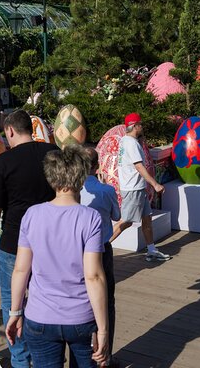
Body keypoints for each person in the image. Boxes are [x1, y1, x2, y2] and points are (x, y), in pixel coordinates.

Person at [6, 145, 109, 368]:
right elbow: (93, 277)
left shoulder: (32, 215)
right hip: (81, 318)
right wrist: (103, 329)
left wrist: (15, 312)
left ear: (51, 178)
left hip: (40, 317)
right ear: (81, 178)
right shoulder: (90, 218)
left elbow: (21, 270)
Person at [0, 109, 58, 368]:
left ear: (10, 130)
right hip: (51, 243)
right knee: (48, 301)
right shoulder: (52, 155)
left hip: (14, 245)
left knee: (14, 305)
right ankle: (47, 356)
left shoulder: (4, 162)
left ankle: (21, 361)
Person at [108, 113, 170, 262]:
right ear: (135, 126)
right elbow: (139, 166)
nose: (142, 127)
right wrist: (155, 184)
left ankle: (151, 250)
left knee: (146, 219)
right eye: (140, 124)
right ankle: (98, 248)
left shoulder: (126, 140)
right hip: (133, 189)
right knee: (126, 221)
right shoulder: (131, 143)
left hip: (135, 188)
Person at [80, 148, 121, 366]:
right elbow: (117, 216)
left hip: (78, 252)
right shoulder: (106, 190)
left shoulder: (73, 191)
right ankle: (104, 354)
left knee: (83, 301)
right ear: (97, 166)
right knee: (107, 302)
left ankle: (85, 353)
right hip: (102, 250)